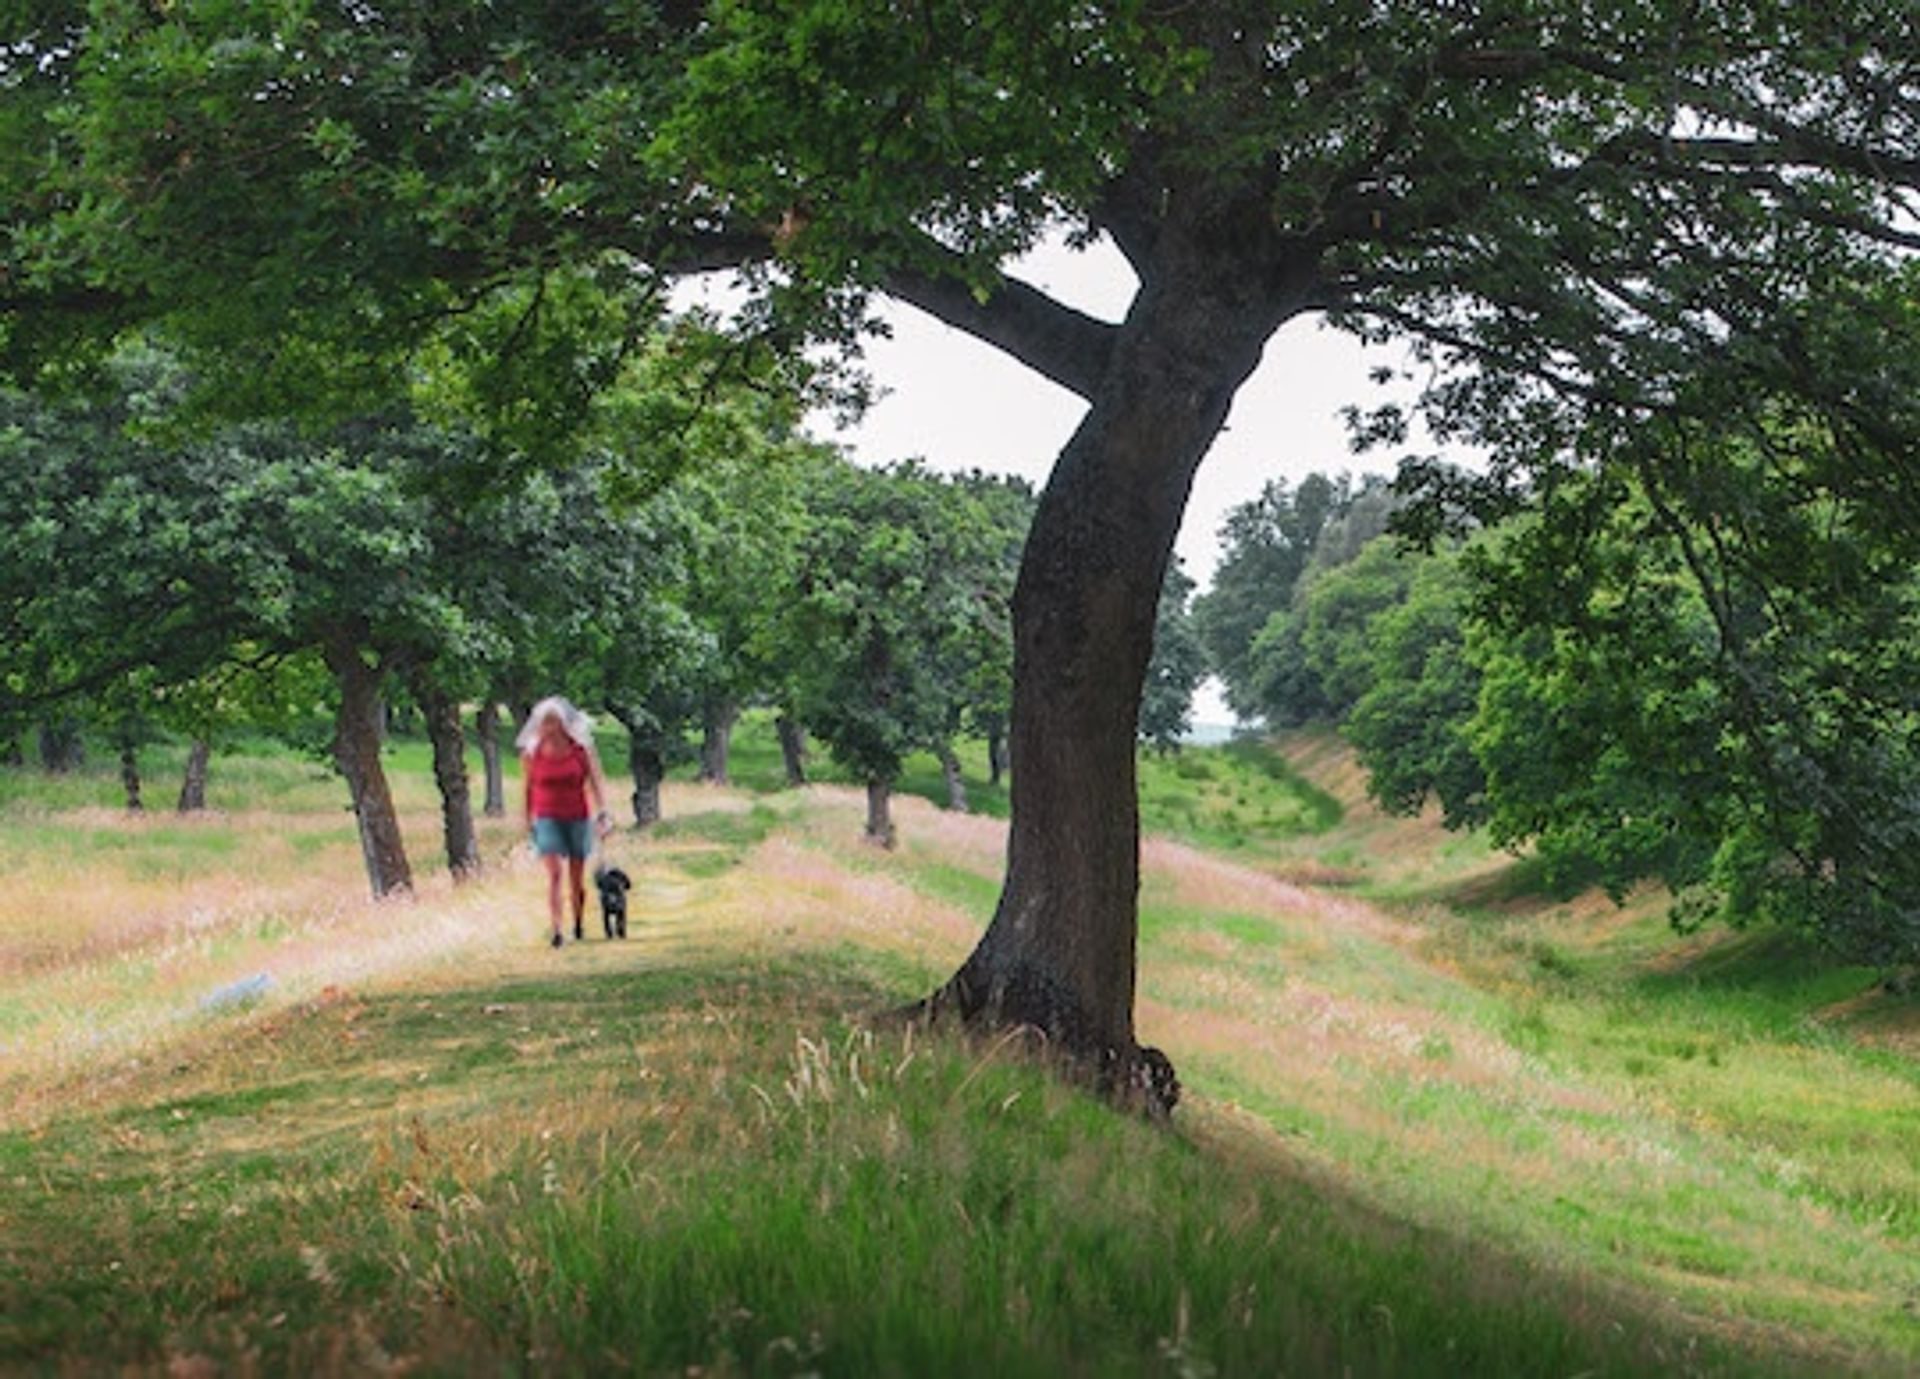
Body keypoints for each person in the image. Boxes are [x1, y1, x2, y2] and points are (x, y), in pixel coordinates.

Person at [517, 696, 613, 947]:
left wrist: (603, 812)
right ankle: (557, 928)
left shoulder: (580, 751)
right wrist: (526, 819)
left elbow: (595, 782)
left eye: (554, 722)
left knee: (576, 877)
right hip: (546, 816)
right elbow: (527, 787)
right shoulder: (533, 753)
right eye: (544, 722)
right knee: (554, 873)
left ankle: (578, 923)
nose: (549, 727)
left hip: (577, 816)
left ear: (564, 724)